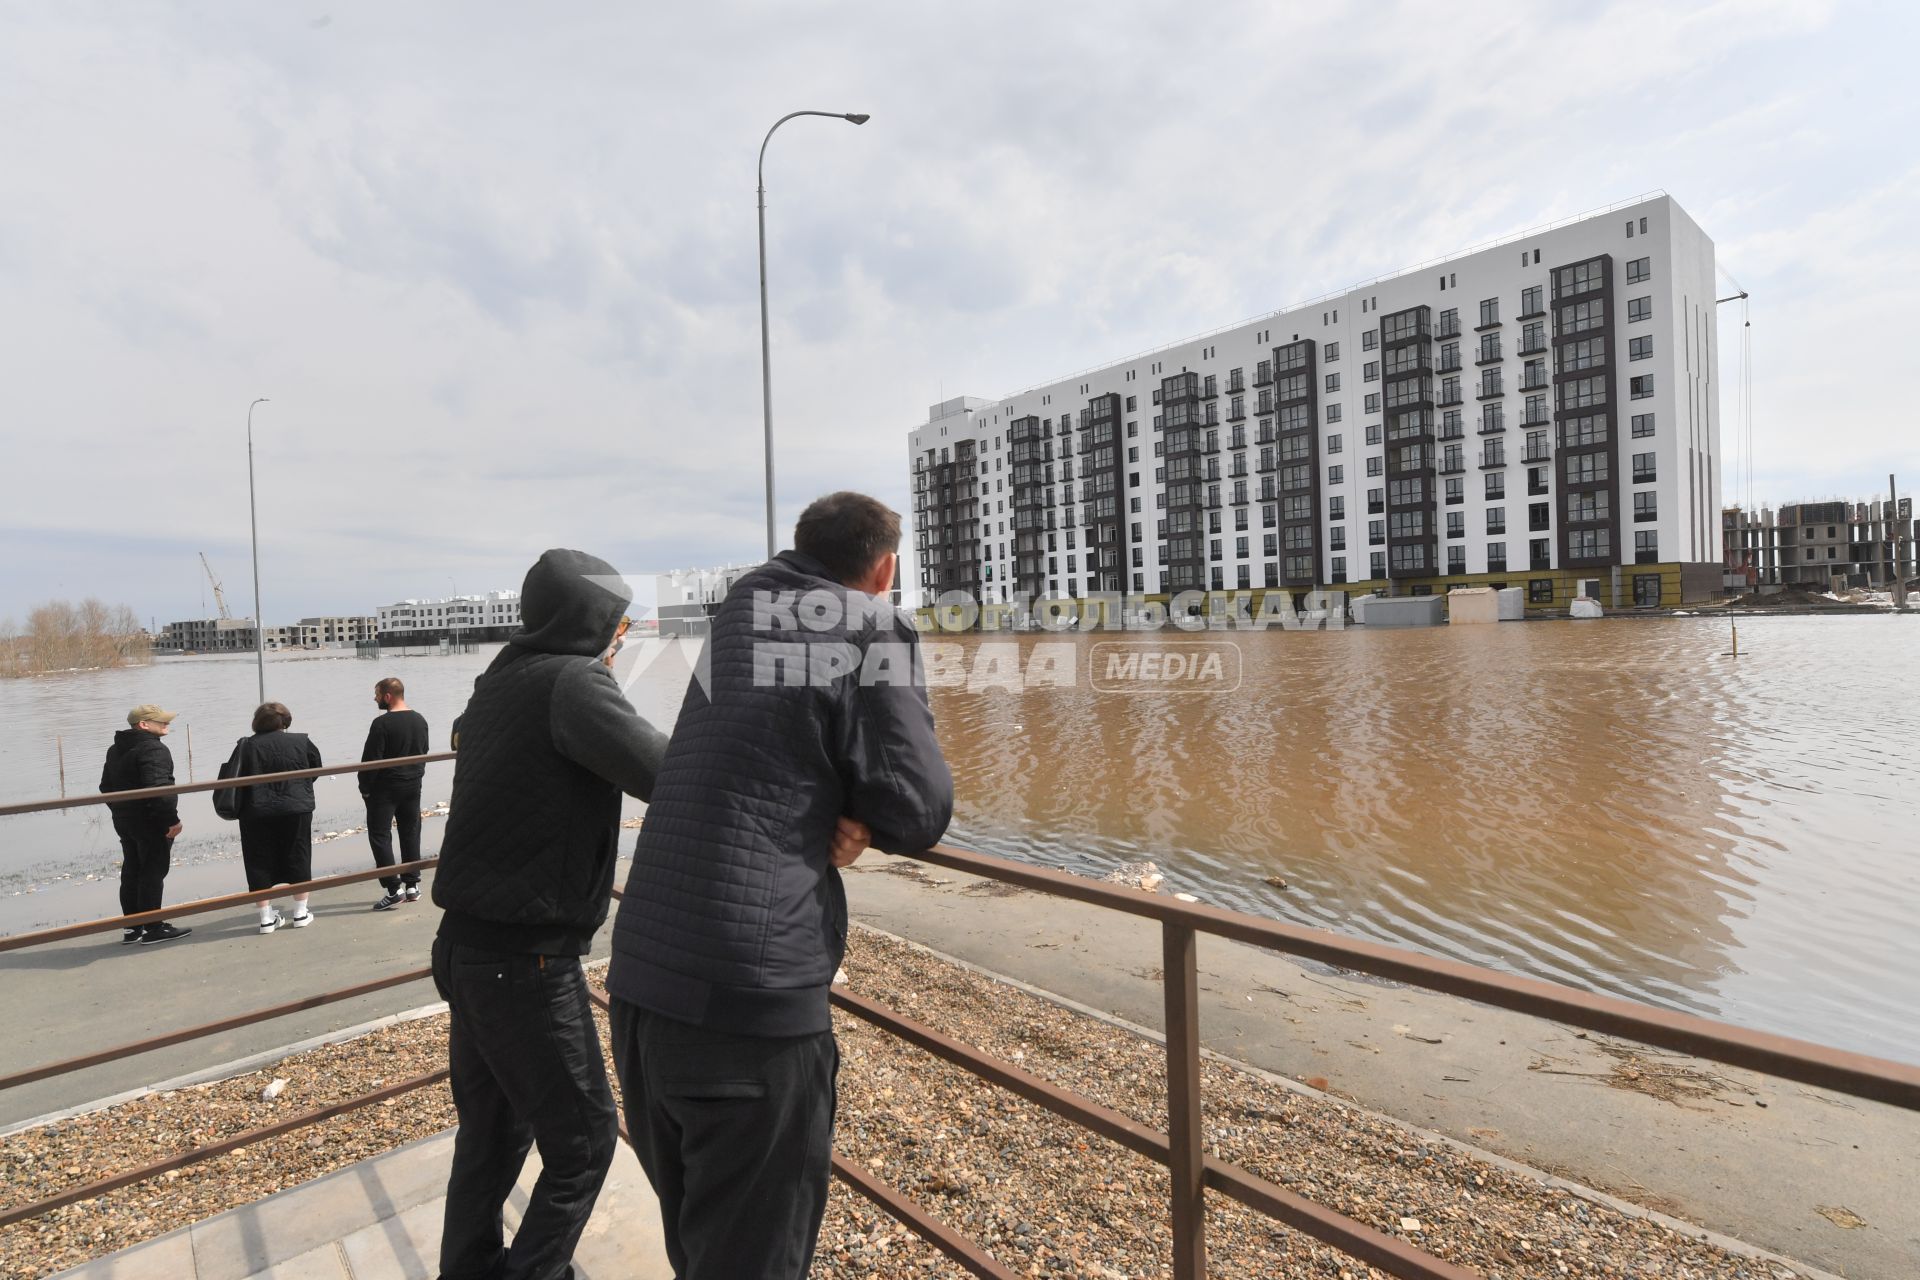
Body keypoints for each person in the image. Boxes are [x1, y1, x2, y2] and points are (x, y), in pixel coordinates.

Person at [606, 491, 954, 1280]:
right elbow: (921, 807)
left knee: (703, 1246)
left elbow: (766, 742)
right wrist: (858, 810)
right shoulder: (871, 623)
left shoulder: (738, 615)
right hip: (747, 1007)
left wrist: (826, 795)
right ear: (884, 569)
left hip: (643, 987)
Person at [429, 549, 670, 1280]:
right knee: (586, 1143)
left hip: (466, 947)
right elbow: (666, 773)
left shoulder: (499, 680)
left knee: (494, 1132)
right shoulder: (574, 682)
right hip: (523, 960)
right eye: (618, 620)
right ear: (593, 620)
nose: (623, 636)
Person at [100, 704, 192, 946]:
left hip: (124, 820)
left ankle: (132, 927)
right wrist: (171, 820)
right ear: (143, 724)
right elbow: (159, 789)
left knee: (132, 869)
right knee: (153, 870)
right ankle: (153, 927)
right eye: (160, 721)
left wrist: (121, 812)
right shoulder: (153, 749)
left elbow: (105, 788)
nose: (166, 724)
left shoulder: (115, 749)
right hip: (150, 821)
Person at [235, 702, 322, 934]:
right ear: (285, 721)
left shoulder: (246, 745)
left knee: (258, 860)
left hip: (256, 810)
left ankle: (265, 918)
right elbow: (315, 768)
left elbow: (235, 776)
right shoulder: (302, 741)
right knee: (299, 854)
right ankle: (300, 913)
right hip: (296, 806)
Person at [361, 676, 429, 910]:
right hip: (413, 784)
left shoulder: (381, 724)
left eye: (377, 694)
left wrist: (365, 788)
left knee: (380, 835)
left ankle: (393, 888)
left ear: (388, 697)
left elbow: (371, 760)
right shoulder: (420, 720)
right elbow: (424, 751)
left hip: (385, 788)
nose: (375, 698)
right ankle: (412, 885)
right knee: (410, 831)